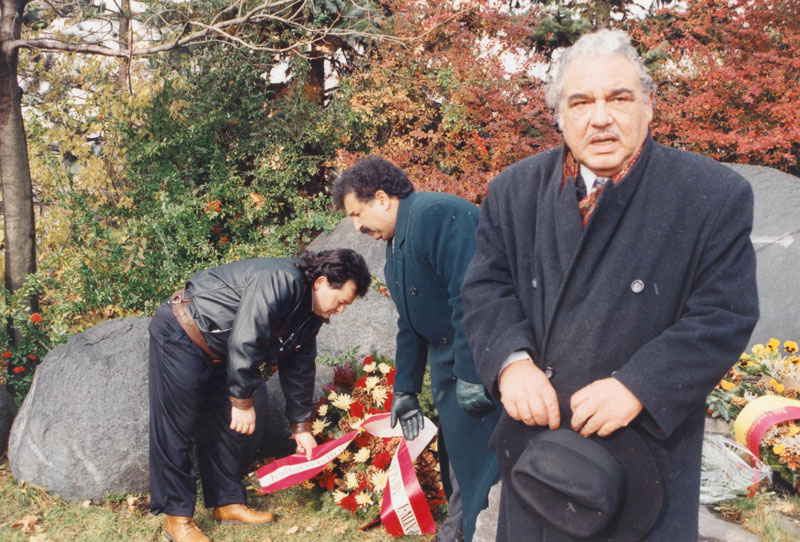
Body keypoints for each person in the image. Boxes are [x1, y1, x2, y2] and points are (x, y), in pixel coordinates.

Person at [461, 29, 759, 541]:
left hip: (644, 457)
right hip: (541, 454)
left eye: (619, 98)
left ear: (649, 105)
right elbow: (486, 288)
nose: (600, 117)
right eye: (581, 102)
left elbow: (723, 315)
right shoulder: (512, 191)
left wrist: (638, 385)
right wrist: (511, 363)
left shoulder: (712, 194)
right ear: (559, 114)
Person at [333, 156, 501, 542]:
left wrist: (474, 373)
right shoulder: (395, 244)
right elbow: (409, 324)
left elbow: (471, 297)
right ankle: (459, 531)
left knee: (485, 471)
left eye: (358, 214)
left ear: (381, 198)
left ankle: (466, 533)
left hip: (478, 365)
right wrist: (405, 390)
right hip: (452, 373)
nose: (358, 227)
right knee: (462, 465)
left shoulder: (436, 214)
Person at [148, 249, 370, 542]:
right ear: (321, 282)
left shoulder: (312, 314)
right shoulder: (281, 280)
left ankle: (226, 503)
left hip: (220, 350)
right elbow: (246, 336)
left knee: (225, 425)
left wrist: (300, 426)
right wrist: (242, 401)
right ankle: (176, 519)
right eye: (341, 301)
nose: (341, 310)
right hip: (182, 332)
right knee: (176, 425)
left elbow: (300, 367)